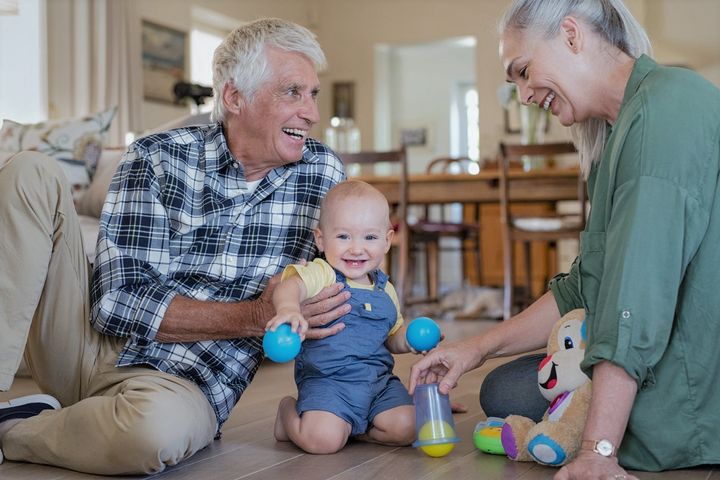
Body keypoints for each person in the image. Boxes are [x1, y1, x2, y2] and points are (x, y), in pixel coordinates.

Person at [0, 18, 349, 475]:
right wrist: (253, 317)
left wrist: (378, 398)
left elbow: (342, 297)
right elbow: (113, 303)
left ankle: (18, 430)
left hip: (185, 385)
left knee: (151, 435)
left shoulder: (322, 175)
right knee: (29, 172)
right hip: (85, 347)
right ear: (234, 97)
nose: (311, 113)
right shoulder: (157, 156)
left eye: (312, 94)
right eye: (292, 92)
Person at [409, 0, 720, 479]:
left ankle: (604, 427)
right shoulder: (614, 138)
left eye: (524, 70)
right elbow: (587, 286)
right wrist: (475, 347)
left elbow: (634, 297)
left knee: (523, 394)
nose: (524, 95)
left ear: (572, 35)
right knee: (504, 388)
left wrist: (599, 450)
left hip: (696, 362)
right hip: (657, 338)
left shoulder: (668, 108)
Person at [267, 180, 417, 454]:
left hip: (378, 383)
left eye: (369, 237)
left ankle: (352, 427)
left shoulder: (387, 290)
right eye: (344, 237)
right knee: (322, 442)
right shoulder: (322, 273)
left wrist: (410, 341)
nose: (356, 248)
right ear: (321, 239)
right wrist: (289, 308)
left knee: (408, 427)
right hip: (329, 382)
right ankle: (287, 414)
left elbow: (392, 338)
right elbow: (290, 286)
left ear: (387, 240)